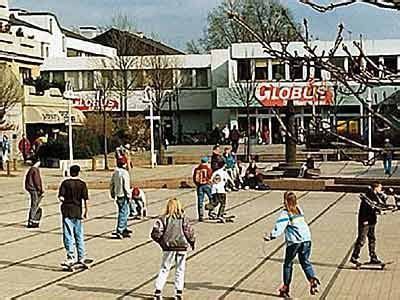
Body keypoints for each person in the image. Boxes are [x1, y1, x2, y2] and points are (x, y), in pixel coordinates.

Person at [264, 192, 320, 297]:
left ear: (285, 201)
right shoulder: (299, 209)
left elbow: (279, 228)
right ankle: (312, 279)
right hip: (307, 239)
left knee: (288, 264)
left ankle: (285, 287)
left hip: (295, 242)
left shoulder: (286, 213)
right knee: (305, 261)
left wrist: (270, 236)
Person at [151, 198, 195, 300]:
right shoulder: (183, 218)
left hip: (168, 247)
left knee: (164, 268)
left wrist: (161, 242)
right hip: (182, 246)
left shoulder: (163, 219)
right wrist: (192, 242)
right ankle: (178, 293)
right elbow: (189, 232)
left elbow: (156, 233)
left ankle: (158, 291)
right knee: (180, 269)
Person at [58, 165, 89, 267]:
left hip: (67, 211)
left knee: (68, 235)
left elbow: (61, 198)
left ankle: (71, 256)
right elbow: (85, 199)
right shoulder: (82, 184)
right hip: (78, 211)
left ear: (70, 172)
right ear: (78, 172)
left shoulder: (65, 183)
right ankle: (81, 256)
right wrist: (86, 211)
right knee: (79, 235)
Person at [350, 182, 384, 266]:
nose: (381, 189)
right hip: (365, 221)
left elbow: (379, 206)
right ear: (375, 188)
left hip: (372, 221)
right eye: (380, 188)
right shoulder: (368, 197)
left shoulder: (376, 196)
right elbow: (365, 209)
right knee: (361, 240)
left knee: (372, 239)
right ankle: (354, 257)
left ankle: (373, 257)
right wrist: (364, 220)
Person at [110, 160, 132, 239]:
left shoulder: (115, 172)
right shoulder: (124, 173)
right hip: (124, 195)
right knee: (123, 213)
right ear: (124, 164)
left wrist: (112, 193)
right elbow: (126, 185)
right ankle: (120, 230)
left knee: (124, 212)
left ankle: (124, 228)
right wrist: (129, 195)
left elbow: (111, 184)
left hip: (118, 195)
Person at [24, 158, 44, 228]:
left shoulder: (31, 170)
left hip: (30, 188)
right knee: (34, 205)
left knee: (34, 204)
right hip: (34, 189)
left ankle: (32, 219)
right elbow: (37, 181)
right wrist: (40, 190)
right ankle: (32, 220)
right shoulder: (35, 170)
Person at [193, 157, 213, 221]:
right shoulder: (208, 169)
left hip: (199, 186)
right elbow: (210, 176)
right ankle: (211, 212)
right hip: (207, 185)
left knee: (200, 201)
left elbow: (194, 178)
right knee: (212, 199)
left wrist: (197, 184)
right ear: (207, 162)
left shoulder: (197, 169)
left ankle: (200, 216)